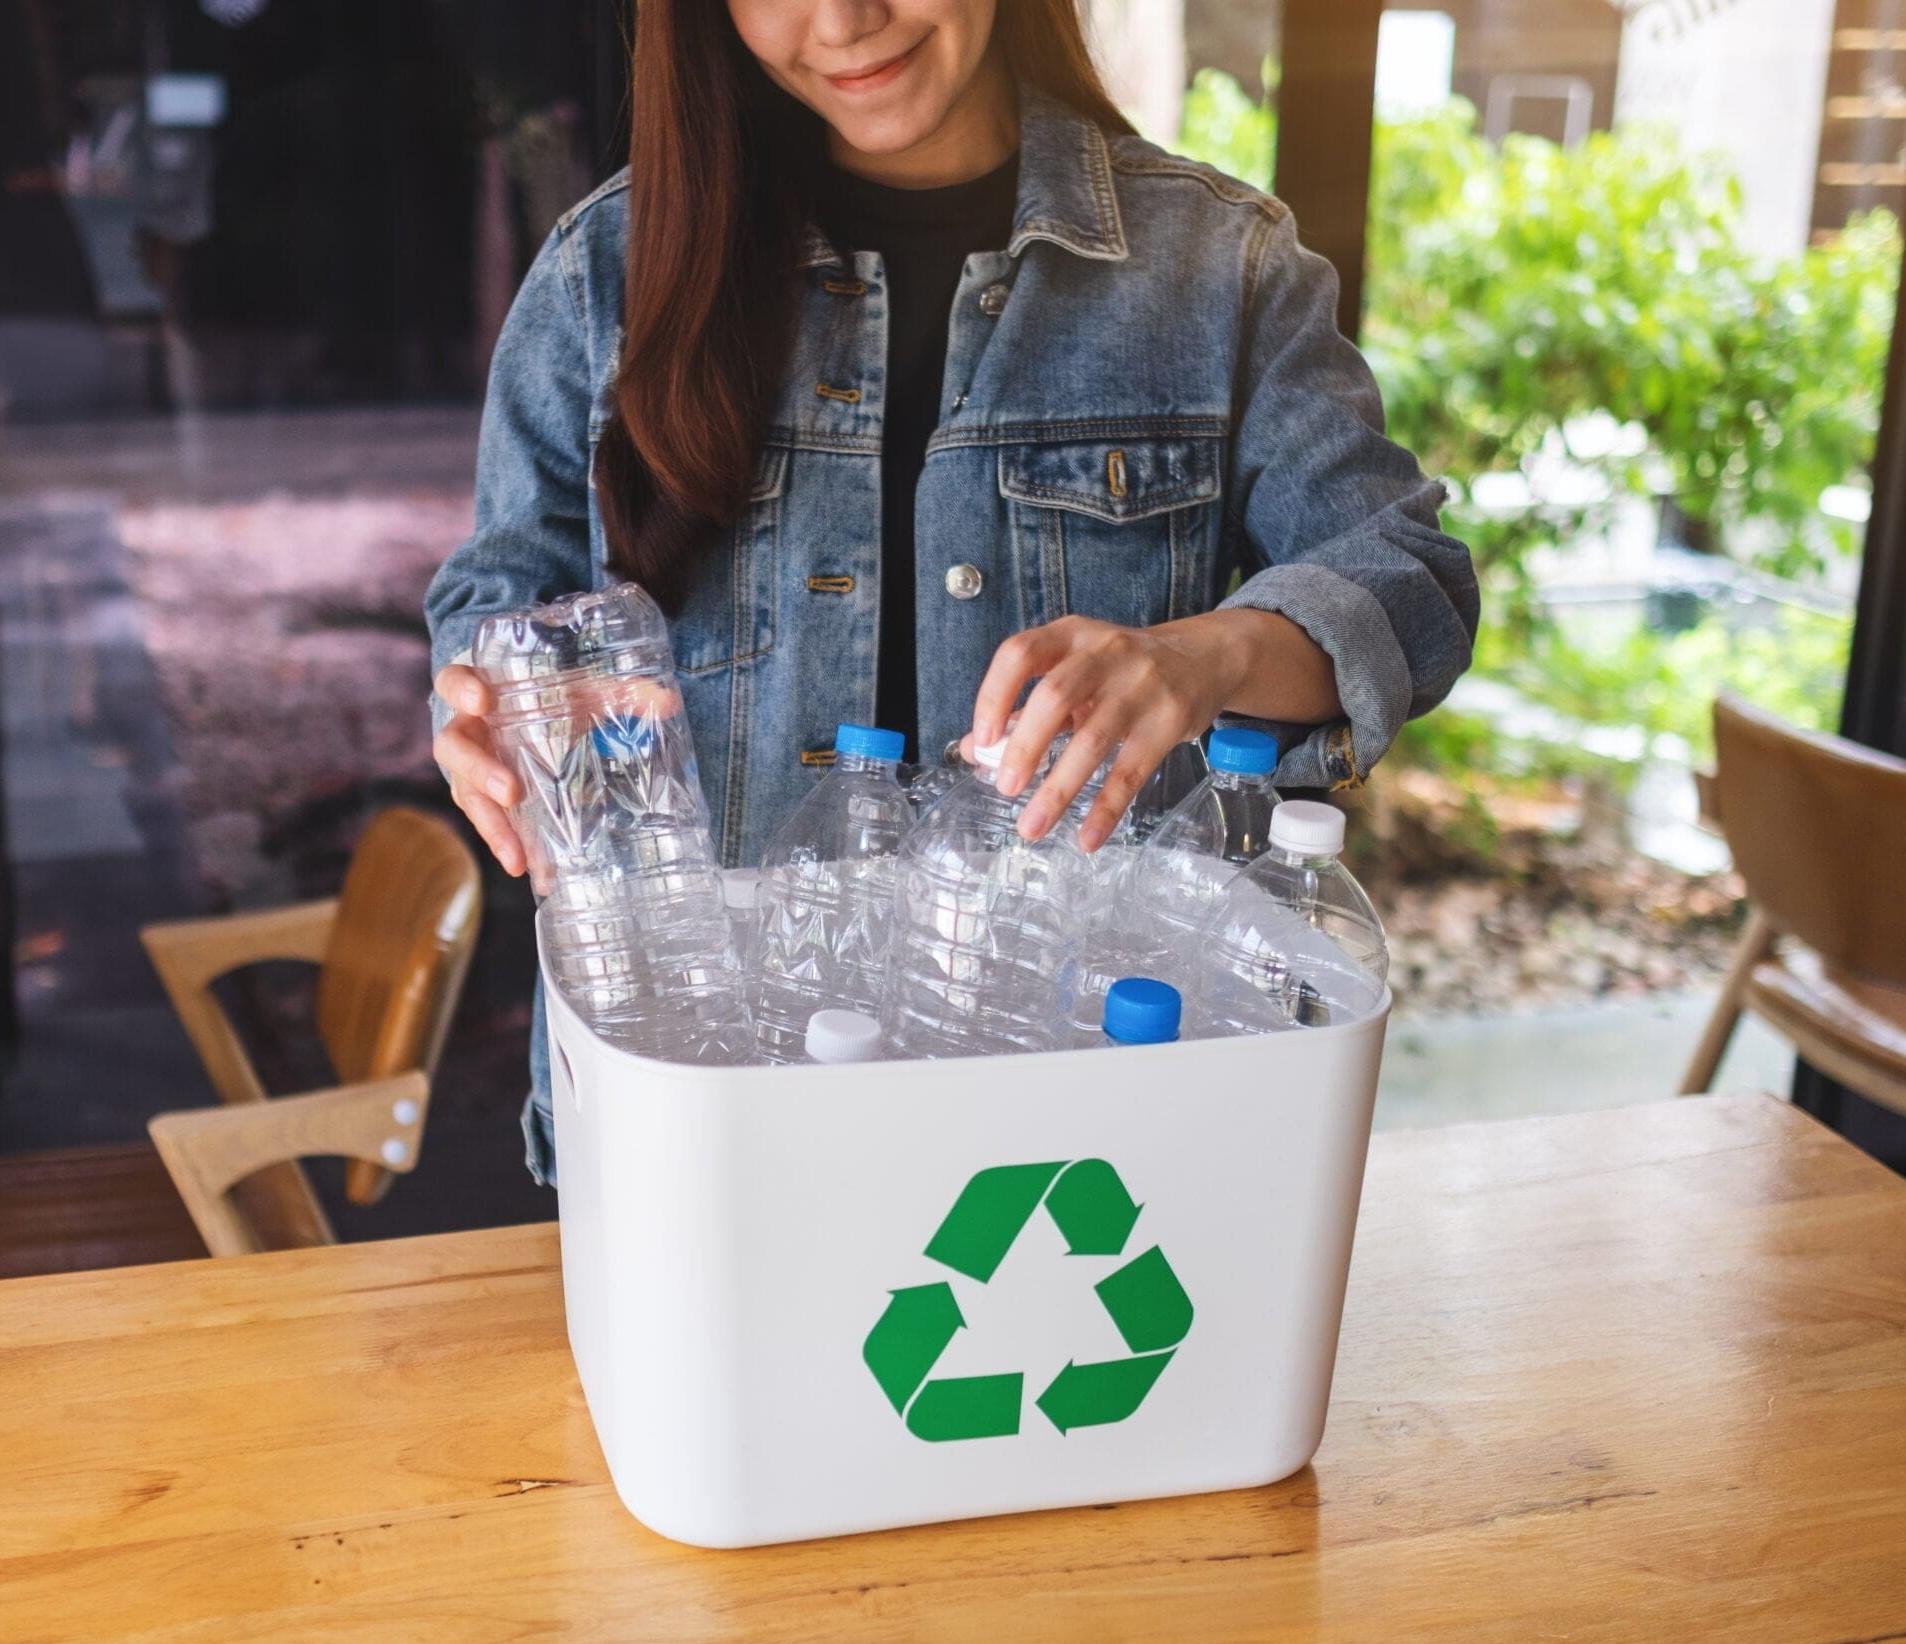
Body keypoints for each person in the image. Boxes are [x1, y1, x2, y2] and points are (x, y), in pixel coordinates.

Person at [425, 0, 1478, 1178]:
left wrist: (1204, 656)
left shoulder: (1216, 265)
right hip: (700, 1129)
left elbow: (1408, 580)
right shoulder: (603, 275)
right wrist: (481, 704)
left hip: (1080, 1128)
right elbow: (501, 592)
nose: (844, 20)